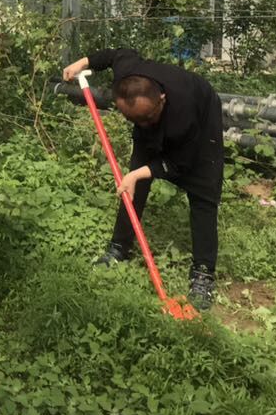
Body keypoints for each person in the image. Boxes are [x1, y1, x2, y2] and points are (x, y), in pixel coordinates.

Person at [62, 48, 224, 309]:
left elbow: (181, 163)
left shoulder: (184, 111)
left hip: (200, 119)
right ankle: (119, 248)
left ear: (161, 98)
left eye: (148, 118)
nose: (145, 124)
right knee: (132, 187)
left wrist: (138, 172)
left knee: (203, 191)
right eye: (133, 119)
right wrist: (81, 62)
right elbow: (115, 54)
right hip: (154, 114)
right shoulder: (128, 78)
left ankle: (203, 273)